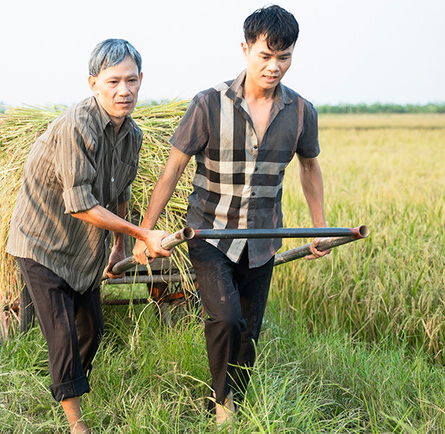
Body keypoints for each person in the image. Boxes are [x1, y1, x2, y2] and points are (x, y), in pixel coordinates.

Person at [132, 5, 330, 425]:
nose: (275, 67)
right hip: (209, 233)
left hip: (262, 239)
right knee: (225, 317)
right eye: (265, 56)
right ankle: (224, 406)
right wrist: (144, 232)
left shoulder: (300, 112)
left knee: (249, 331)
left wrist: (319, 229)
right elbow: (172, 170)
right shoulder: (208, 104)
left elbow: (309, 169)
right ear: (245, 49)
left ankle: (232, 397)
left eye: (285, 57)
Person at [6, 39, 170, 434]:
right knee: (62, 332)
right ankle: (76, 423)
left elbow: (120, 194)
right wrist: (143, 233)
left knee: (92, 329)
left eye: (131, 80)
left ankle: (67, 383)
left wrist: (119, 248)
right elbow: (80, 204)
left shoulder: (133, 135)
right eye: (113, 81)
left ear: (141, 80)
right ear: (94, 83)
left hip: (84, 250)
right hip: (41, 241)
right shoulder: (77, 125)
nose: (124, 90)